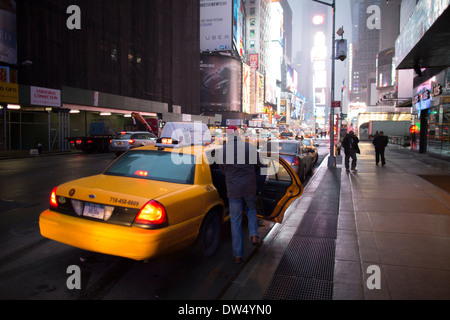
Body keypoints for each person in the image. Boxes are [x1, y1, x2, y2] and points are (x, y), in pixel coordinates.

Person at [220, 125, 264, 264]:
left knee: (235, 221)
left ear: (228, 135)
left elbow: (222, 169)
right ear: (238, 134)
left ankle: (237, 255)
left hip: (234, 190)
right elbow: (259, 164)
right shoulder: (249, 147)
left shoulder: (223, 150)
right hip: (249, 187)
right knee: (251, 209)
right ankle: (254, 234)